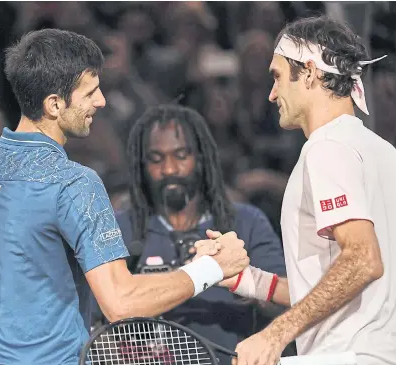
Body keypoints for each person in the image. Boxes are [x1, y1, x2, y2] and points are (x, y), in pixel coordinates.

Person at [0, 29, 249, 365]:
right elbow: (120, 302)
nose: (101, 100)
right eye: (90, 92)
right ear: (54, 105)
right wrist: (211, 269)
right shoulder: (75, 183)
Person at [197, 15, 396, 365]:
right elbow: (341, 286)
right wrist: (251, 281)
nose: (272, 93)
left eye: (277, 76)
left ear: (308, 72)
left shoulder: (327, 148)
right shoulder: (384, 153)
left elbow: (363, 261)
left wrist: (274, 334)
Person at [102, 104, 288, 365]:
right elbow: (101, 315)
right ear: (141, 165)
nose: (169, 169)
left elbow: (288, 303)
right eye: (156, 159)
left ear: (201, 157)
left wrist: (249, 286)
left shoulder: (246, 222)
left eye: (181, 155)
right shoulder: (120, 229)